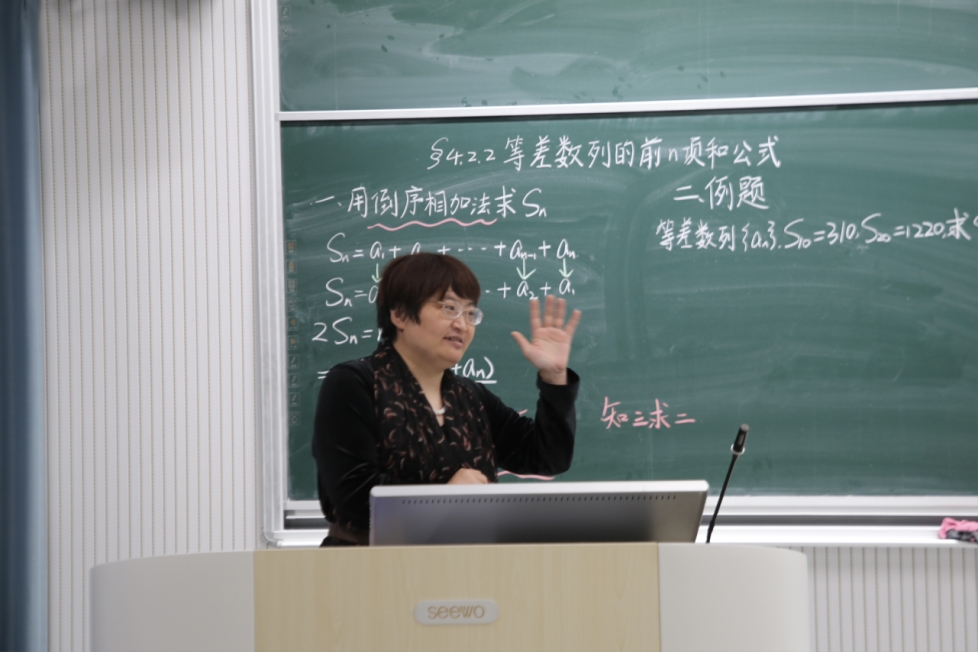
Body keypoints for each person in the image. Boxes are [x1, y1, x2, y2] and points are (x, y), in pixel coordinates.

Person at [312, 253, 582, 545]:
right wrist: (441, 497)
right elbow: (353, 496)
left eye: (470, 313)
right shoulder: (355, 384)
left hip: (467, 562)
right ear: (399, 314)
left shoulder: (471, 398)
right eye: (449, 308)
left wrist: (555, 377)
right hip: (372, 563)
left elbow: (547, 458)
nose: (462, 325)